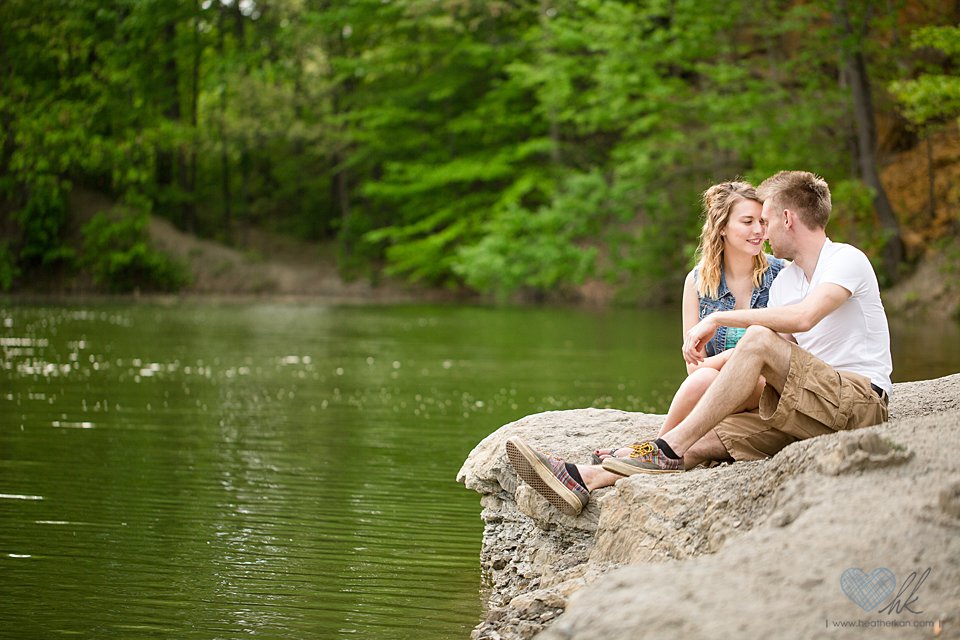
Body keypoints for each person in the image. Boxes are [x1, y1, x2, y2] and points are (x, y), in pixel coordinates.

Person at [506, 170, 891, 517]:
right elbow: (781, 349)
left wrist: (720, 318)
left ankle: (662, 448)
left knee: (755, 340)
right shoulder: (787, 282)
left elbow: (803, 319)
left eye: (767, 219)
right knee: (702, 440)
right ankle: (584, 479)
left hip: (856, 402)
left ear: (787, 219)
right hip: (807, 409)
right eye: (752, 221)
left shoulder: (845, 259)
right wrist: (709, 366)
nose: (763, 230)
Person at [591, 181, 783, 463]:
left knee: (710, 374)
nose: (759, 231)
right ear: (722, 227)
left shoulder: (782, 274)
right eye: (747, 221)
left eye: (762, 222)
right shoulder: (697, 282)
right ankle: (655, 451)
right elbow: (694, 367)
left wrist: (734, 356)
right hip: (714, 390)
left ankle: (649, 452)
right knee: (704, 377)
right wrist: (730, 360)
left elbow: (779, 355)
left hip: (765, 390)